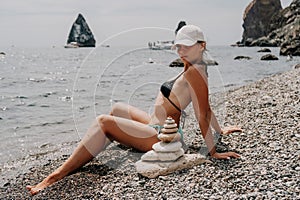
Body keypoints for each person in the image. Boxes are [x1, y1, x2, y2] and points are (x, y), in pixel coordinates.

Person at [26, 25, 242, 195]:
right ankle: (91, 146)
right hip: (153, 124)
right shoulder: (190, 67)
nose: (181, 50)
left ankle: (55, 176)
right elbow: (208, 107)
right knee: (117, 108)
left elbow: (202, 113)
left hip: (163, 136)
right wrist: (220, 131)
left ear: (201, 45)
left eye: (186, 46)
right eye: (178, 46)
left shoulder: (197, 72)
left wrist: (213, 151)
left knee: (104, 122)